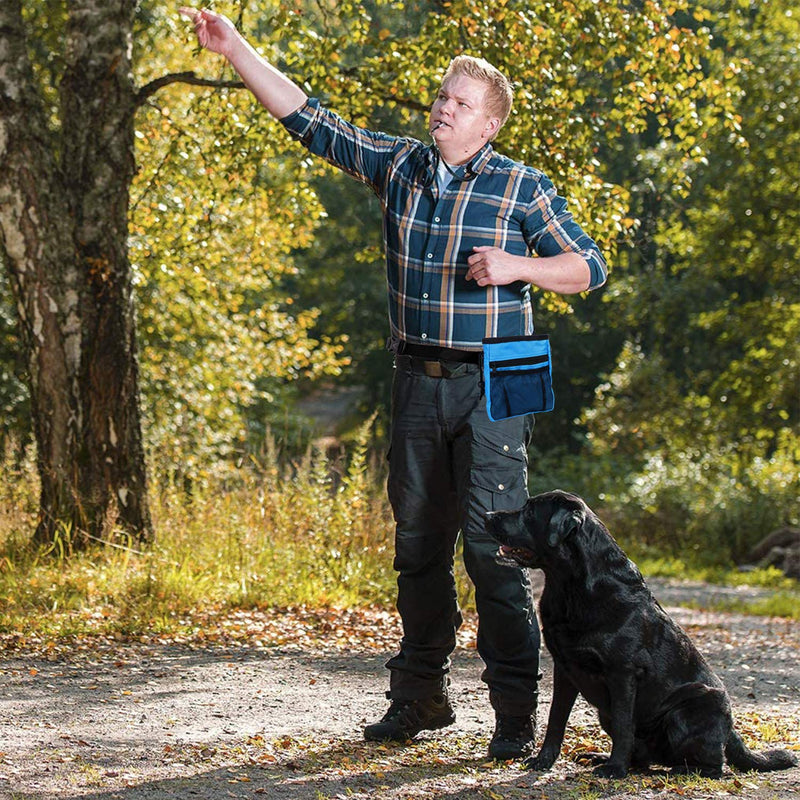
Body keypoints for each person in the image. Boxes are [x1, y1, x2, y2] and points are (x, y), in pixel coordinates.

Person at [180, 7, 607, 761]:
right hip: (416, 375)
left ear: (489, 127)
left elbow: (588, 269)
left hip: (501, 380)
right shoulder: (402, 166)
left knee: (493, 550)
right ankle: (419, 697)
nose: (443, 109)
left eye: (461, 104)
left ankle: (514, 715)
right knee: (418, 546)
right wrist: (235, 46)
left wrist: (518, 267)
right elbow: (310, 120)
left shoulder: (521, 188)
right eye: (442, 96)